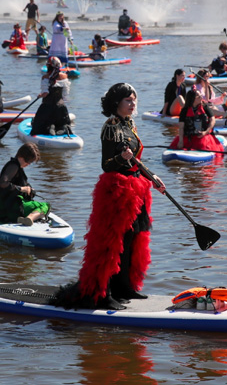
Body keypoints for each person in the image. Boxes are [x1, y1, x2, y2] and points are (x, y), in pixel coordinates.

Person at [51, 83, 164, 310]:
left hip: (136, 188)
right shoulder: (111, 127)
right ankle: (104, 293)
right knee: (113, 243)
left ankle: (124, 287)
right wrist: (122, 158)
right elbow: (107, 165)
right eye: (128, 101)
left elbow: (136, 161)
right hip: (117, 190)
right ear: (116, 104)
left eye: (134, 100)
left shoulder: (129, 124)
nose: (133, 104)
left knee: (132, 240)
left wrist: (152, 177)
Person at [0, 143, 49, 226]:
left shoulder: (18, 167)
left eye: (31, 162)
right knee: (46, 206)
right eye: (28, 161)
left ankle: (18, 218)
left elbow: (19, 184)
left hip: (4, 209)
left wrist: (30, 190)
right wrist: (22, 189)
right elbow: (3, 183)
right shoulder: (14, 166)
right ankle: (30, 218)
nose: (29, 164)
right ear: (21, 156)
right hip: (9, 208)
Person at [31, 57, 71, 135]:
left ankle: (50, 129)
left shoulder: (45, 77)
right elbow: (65, 94)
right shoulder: (65, 77)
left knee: (37, 127)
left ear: (50, 66)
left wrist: (40, 95)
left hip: (47, 107)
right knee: (61, 125)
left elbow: (45, 93)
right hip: (61, 108)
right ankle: (62, 128)